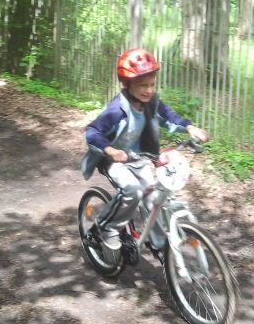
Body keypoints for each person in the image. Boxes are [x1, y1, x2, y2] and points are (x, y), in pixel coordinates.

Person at [81, 48, 208, 250]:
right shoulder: (117, 110)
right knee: (133, 190)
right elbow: (92, 132)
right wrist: (111, 151)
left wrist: (189, 127)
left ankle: (159, 244)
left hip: (139, 159)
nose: (149, 90)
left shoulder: (151, 103)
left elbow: (169, 117)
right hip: (113, 161)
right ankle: (106, 227)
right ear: (127, 83)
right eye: (143, 85)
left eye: (152, 85)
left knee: (153, 194)